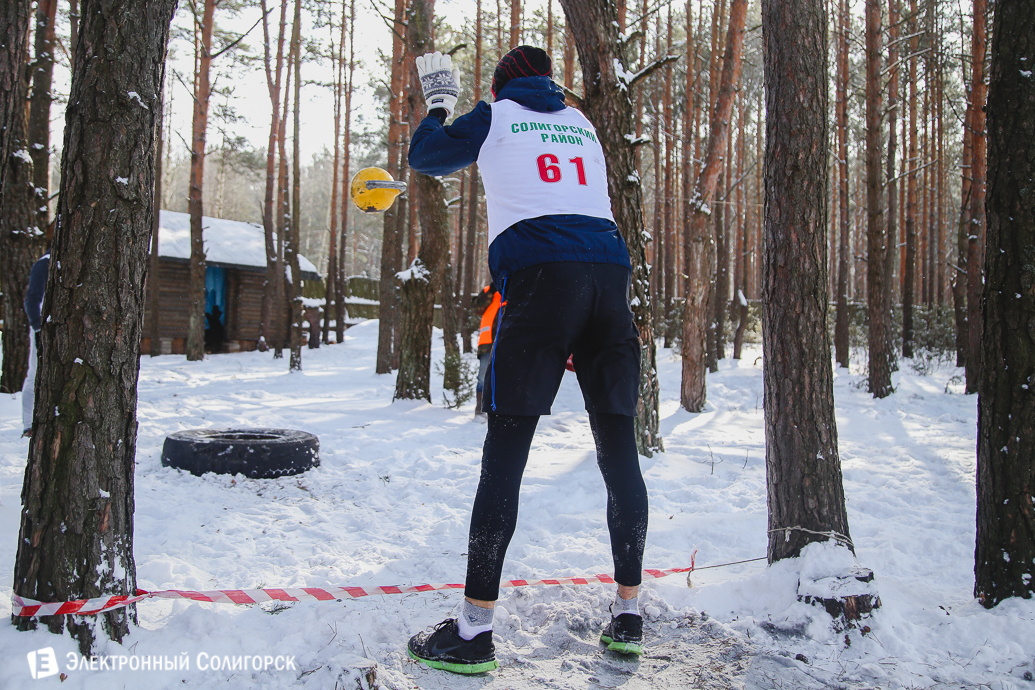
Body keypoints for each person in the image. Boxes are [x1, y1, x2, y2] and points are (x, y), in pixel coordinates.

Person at [405, 47, 649, 674]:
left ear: (498, 85)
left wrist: (438, 104)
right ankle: (628, 614)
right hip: (607, 277)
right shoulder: (581, 120)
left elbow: (426, 157)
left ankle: (474, 631)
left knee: (506, 456)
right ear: (550, 81)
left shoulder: (495, 115)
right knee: (618, 448)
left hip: (542, 280)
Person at [22, 253, 50, 437]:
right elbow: (32, 299)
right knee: (35, 373)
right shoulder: (45, 263)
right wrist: (38, 328)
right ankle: (29, 424)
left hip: (61, 327)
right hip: (42, 327)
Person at [473, 283, 501, 418]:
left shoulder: (519, 289)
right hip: (487, 344)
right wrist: (492, 290)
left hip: (510, 344)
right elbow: (477, 308)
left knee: (506, 378)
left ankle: (501, 410)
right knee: (483, 378)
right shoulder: (489, 291)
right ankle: (480, 409)